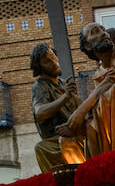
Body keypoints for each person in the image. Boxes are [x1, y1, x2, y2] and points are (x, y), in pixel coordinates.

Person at [58, 23, 115, 163]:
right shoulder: (98, 74)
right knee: (87, 119)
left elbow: (112, 80)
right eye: (96, 32)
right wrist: (79, 123)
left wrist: (80, 111)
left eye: (104, 30)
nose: (104, 33)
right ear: (88, 46)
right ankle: (98, 166)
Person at [30, 44, 81, 173]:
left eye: (53, 57)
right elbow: (40, 113)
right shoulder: (40, 86)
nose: (54, 62)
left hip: (75, 133)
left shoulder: (63, 83)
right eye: (47, 61)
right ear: (39, 68)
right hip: (57, 139)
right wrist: (65, 97)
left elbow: (80, 108)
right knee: (41, 148)